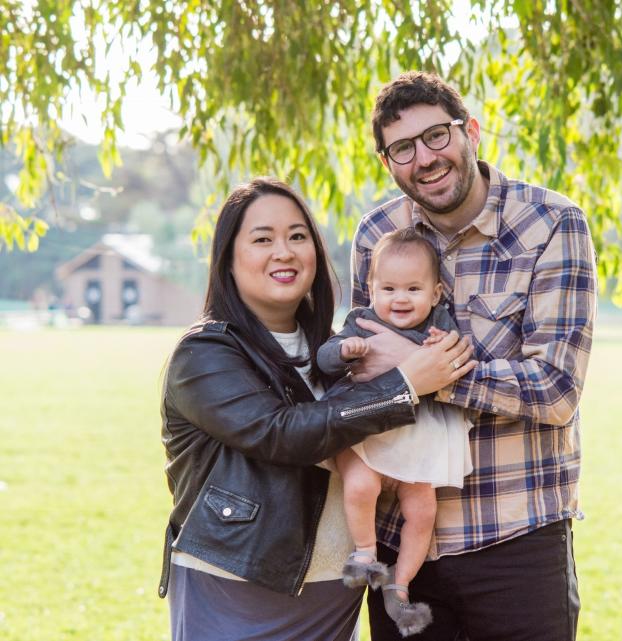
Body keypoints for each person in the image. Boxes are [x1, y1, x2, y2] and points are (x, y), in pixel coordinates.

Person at [158, 177, 476, 641]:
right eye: (263, 239)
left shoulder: (336, 345)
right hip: (239, 586)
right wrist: (406, 383)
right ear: (228, 258)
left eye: (298, 236)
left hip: (333, 594)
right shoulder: (205, 354)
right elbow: (281, 434)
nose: (284, 251)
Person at [349, 72, 597, 641]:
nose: (425, 158)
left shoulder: (551, 224)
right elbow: (365, 367)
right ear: (388, 163)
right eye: (402, 148)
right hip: (401, 542)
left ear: (471, 132)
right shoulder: (376, 235)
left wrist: (431, 377)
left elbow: (557, 389)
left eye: (436, 136)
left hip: (516, 538)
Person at [316, 228, 474, 637]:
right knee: (360, 486)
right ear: (370, 289)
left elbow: (460, 356)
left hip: (418, 433)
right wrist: (343, 351)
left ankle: (401, 583)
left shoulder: (440, 323)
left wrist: (447, 343)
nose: (399, 299)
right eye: (388, 288)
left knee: (422, 511)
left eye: (413, 289)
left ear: (436, 293)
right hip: (369, 428)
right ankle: (366, 553)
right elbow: (325, 358)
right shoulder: (361, 322)